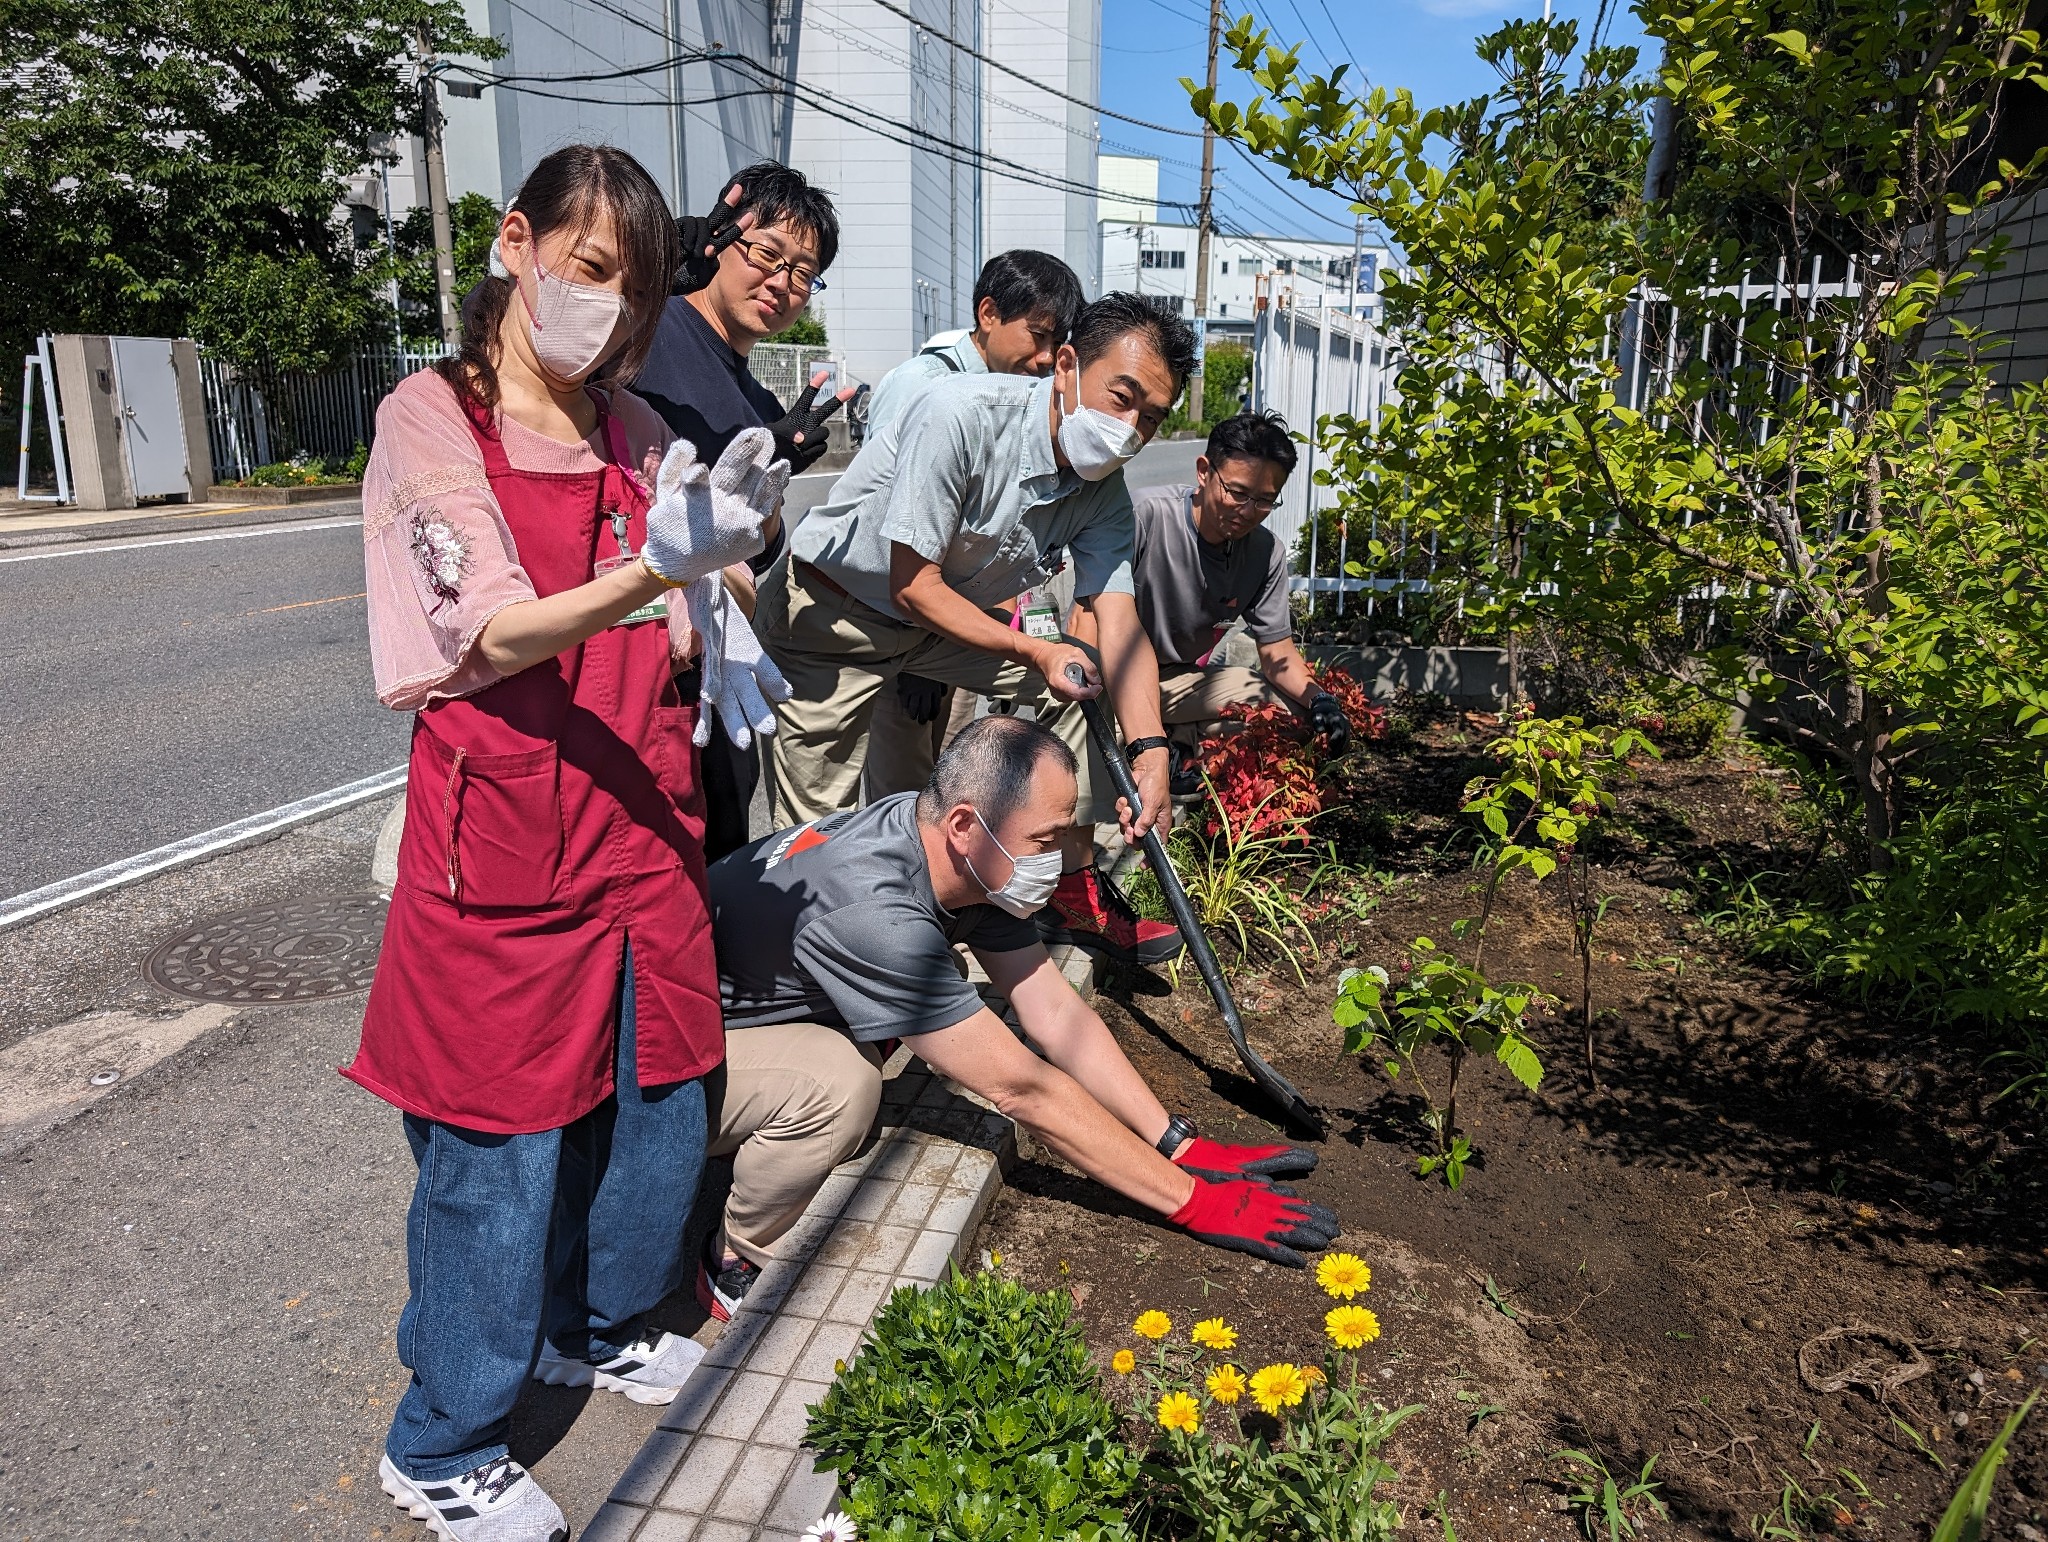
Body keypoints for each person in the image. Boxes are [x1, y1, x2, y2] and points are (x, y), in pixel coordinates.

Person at [347, 144, 790, 1542]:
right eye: (591, 271)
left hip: (639, 816)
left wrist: (725, 593)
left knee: (661, 1089)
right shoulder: (433, 419)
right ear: (516, 242)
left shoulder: (638, 432)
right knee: (500, 1148)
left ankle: (603, 1318)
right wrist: (656, 570)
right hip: (508, 838)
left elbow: (692, 590)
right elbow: (489, 632)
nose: (609, 309)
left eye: (636, 290)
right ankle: (443, 1437)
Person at [695, 715, 1339, 1318]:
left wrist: (1176, 1143)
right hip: (670, 1062)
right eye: (1044, 839)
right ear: (965, 824)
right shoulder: (877, 913)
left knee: (885, 1037)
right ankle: (734, 1254)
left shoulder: (950, 850)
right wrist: (1191, 1201)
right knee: (841, 1088)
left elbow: (1055, 1011)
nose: (1055, 861)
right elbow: (1020, 1088)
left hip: (744, 1002)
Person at [756, 292, 1194, 966]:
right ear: (1068, 365)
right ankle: (813, 971)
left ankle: (1066, 877)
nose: (1131, 429)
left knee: (1079, 676)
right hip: (834, 617)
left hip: (941, 621)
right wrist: (1030, 646)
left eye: (1152, 418)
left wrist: (1153, 749)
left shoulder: (1102, 488)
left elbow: (1119, 617)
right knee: (817, 823)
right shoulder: (959, 415)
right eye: (1122, 397)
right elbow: (911, 584)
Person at [634, 164, 856, 859]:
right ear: (724, 237)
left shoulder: (763, 406)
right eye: (767, 254)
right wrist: (644, 283)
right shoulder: (650, 324)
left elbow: (754, 551)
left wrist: (768, 497)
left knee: (718, 851)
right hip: (629, 633)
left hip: (710, 662)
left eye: (804, 270)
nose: (783, 281)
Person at [862, 249, 1088, 803]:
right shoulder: (924, 386)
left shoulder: (1022, 402)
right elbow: (885, 530)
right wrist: (912, 656)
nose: (1042, 359)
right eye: (1034, 336)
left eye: (1054, 345)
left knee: (949, 784)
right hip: (890, 623)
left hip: (955, 622)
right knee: (901, 791)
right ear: (988, 314)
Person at [1099, 410, 1353, 793]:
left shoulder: (1265, 553)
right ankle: (1168, 746)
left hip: (1178, 680)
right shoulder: (1145, 516)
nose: (1248, 511)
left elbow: (1277, 652)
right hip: (1115, 680)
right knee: (1089, 741)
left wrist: (1322, 700)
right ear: (1204, 471)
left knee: (1290, 714)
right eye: (1237, 492)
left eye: (1265, 500)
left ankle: (1179, 748)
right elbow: (1089, 618)